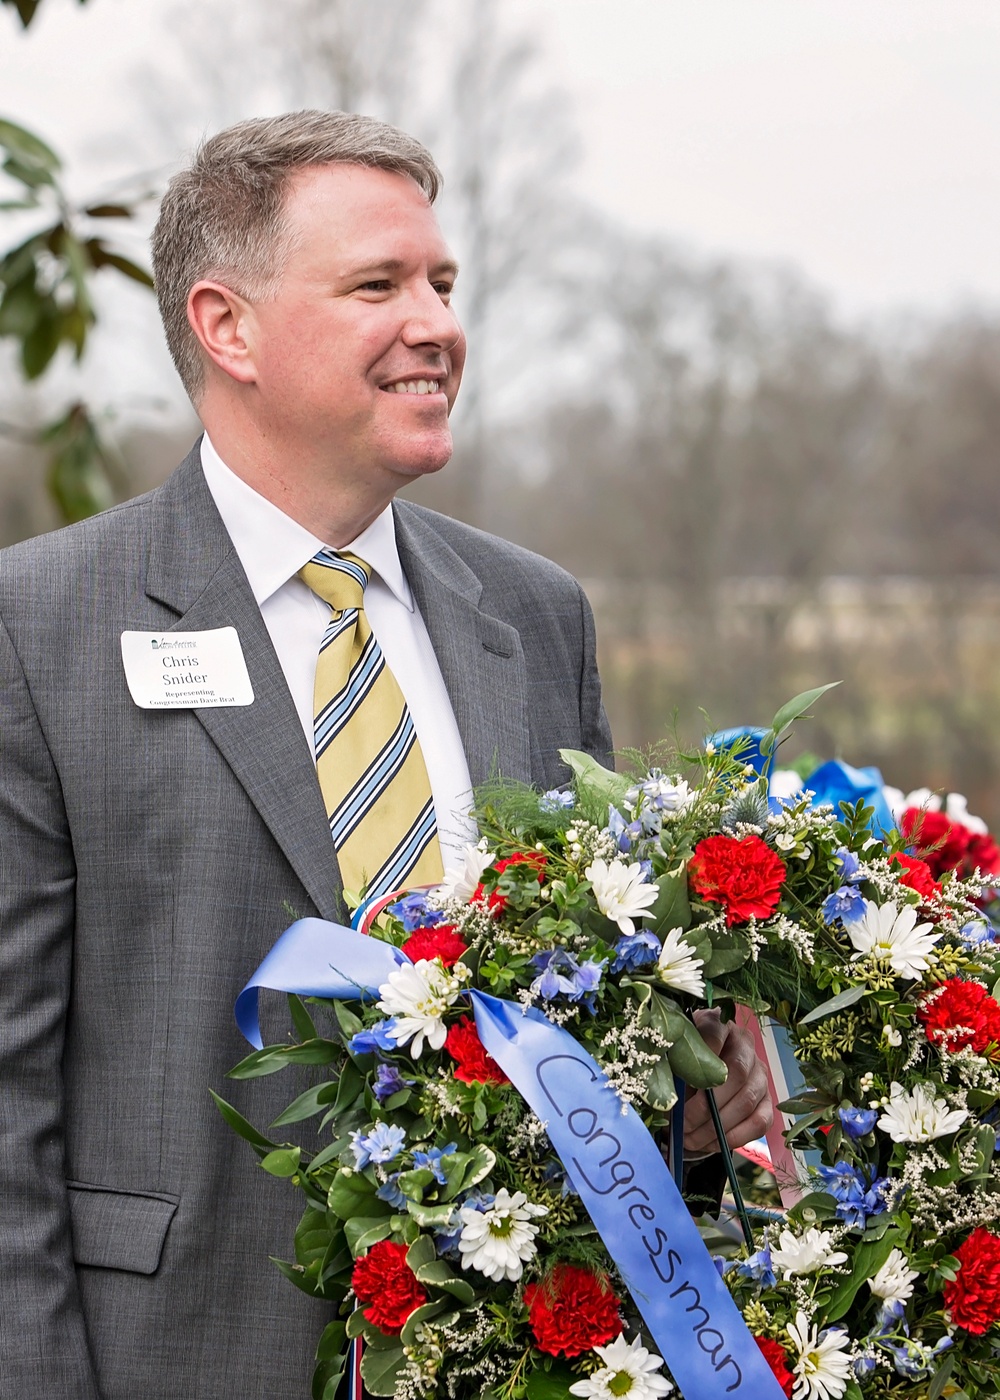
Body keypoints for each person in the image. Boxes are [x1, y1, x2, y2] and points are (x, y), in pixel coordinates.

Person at [0, 111, 771, 1398]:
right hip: (175, 1355)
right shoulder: (39, 625)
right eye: (377, 285)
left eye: (442, 283)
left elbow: (590, 1018)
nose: (437, 323)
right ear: (225, 325)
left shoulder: (533, 614)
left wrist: (691, 1100)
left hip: (515, 1355)